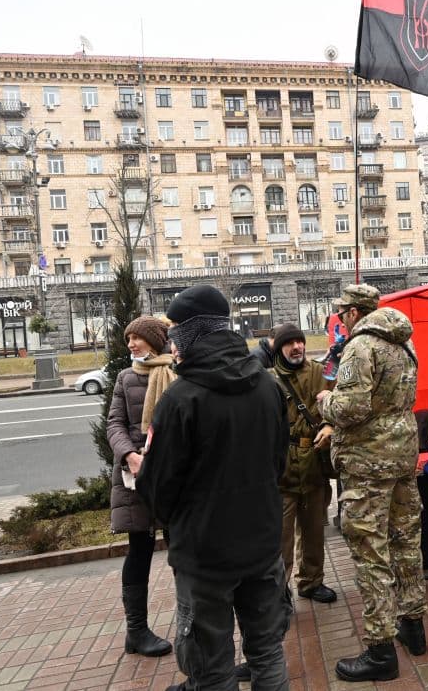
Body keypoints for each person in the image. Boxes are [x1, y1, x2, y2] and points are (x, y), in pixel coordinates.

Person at [136, 284, 292, 691]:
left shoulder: (180, 399)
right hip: (261, 544)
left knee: (211, 668)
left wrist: (181, 521)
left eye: (174, 330)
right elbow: (280, 463)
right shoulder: (267, 385)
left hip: (204, 556)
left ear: (190, 333)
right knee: (268, 652)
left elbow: (157, 487)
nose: (170, 338)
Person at [316, 284, 427, 682]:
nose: (340, 318)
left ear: (351, 312)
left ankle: (381, 649)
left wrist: (323, 402)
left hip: (368, 462)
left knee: (370, 551)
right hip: (400, 455)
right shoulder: (403, 343)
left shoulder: (361, 346)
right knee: (406, 541)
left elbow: (351, 407)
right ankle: (413, 626)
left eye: (341, 311)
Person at [233, 323, 336, 682]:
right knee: (281, 538)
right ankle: (280, 596)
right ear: (277, 347)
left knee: (315, 530)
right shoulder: (267, 377)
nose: (297, 347)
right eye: (290, 342)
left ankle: (313, 581)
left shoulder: (319, 373)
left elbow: (334, 408)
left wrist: (331, 426)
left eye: (301, 342)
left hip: (315, 466)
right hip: (281, 470)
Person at [106, 316, 177, 658]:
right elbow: (114, 424)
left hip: (174, 477)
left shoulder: (177, 372)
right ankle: (136, 631)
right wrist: (129, 455)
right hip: (137, 479)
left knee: (183, 550)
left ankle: (192, 621)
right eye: (129, 339)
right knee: (140, 552)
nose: (132, 344)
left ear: (155, 340)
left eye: (138, 338)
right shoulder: (126, 378)